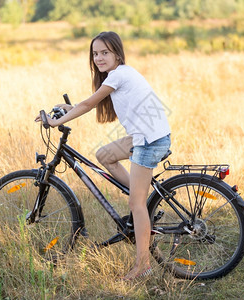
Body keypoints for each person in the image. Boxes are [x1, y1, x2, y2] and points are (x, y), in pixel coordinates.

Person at [35, 31, 171, 281]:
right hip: (148, 135)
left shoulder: (118, 75)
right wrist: (69, 108)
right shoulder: (119, 76)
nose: (99, 58)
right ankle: (145, 198)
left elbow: (88, 105)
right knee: (105, 155)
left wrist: (57, 122)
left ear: (117, 53)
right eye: (95, 54)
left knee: (135, 205)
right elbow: (91, 102)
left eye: (105, 53)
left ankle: (143, 266)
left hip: (148, 141)